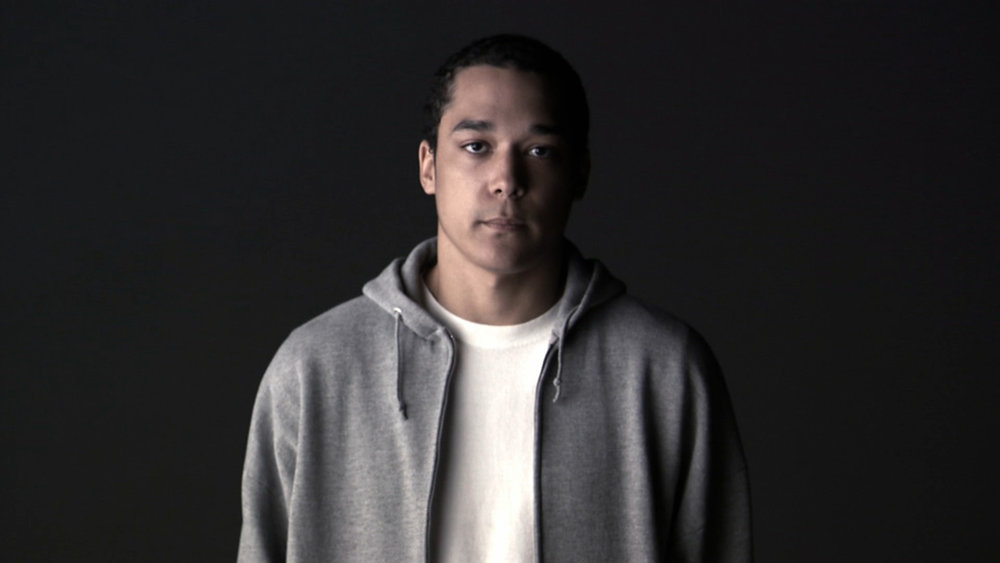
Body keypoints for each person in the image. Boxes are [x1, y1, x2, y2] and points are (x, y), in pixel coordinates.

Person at [238, 34, 752, 562]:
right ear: (428, 166)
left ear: (579, 174)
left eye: (539, 151)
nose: (507, 180)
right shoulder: (315, 368)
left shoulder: (662, 369)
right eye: (477, 146)